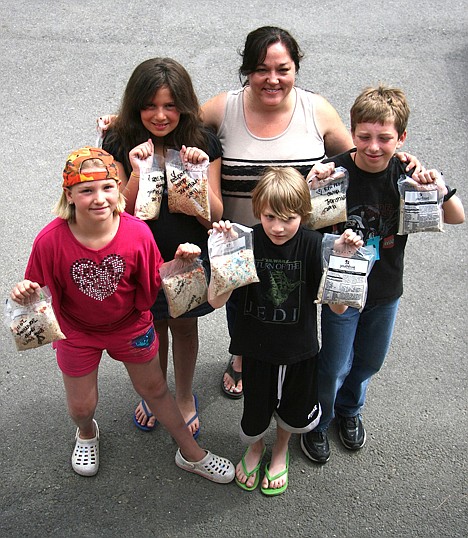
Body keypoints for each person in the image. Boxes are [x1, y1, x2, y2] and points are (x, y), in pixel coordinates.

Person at [201, 25, 420, 399]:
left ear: (295, 69)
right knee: (242, 304)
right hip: (243, 241)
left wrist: (399, 160)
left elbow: (360, 157)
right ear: (247, 70)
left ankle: (295, 363)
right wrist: (123, 128)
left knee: (293, 306)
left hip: (300, 242)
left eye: (282, 69)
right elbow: (173, 124)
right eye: (261, 69)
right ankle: (241, 355)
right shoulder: (224, 107)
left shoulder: (316, 109)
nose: (272, 79)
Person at [9, 147, 234, 483]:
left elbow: (152, 286)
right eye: (86, 190)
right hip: (77, 332)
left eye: (107, 187)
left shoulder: (137, 233)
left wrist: (179, 264)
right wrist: (24, 292)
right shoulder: (50, 240)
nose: (99, 198)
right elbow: (38, 292)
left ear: (119, 189)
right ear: (69, 195)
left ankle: (191, 453)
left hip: (130, 325)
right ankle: (87, 433)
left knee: (156, 390)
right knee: (81, 407)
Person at [300, 84, 465, 464]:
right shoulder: (334, 172)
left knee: (370, 361)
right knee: (334, 364)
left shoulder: (406, 174)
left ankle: (350, 409)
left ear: (401, 137)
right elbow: (304, 224)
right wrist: (311, 186)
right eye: (364, 137)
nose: (373, 146)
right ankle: (319, 420)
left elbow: (456, 217)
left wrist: (438, 189)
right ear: (352, 132)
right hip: (341, 289)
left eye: (385, 138)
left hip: (386, 290)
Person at [207, 167, 363, 495]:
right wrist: (223, 251)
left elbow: (338, 308)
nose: (278, 227)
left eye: (289, 218)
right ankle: (255, 448)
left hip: (299, 350)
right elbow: (216, 300)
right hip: (255, 350)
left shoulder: (315, 245)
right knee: (255, 409)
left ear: (304, 213)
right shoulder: (245, 242)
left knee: (293, 408)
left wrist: (343, 260)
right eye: (269, 217)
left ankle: (280, 451)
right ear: (257, 210)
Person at [101, 58, 223, 437]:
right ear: (135, 105)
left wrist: (196, 175)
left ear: (183, 105)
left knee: (184, 327)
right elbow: (115, 213)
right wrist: (138, 171)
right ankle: (157, 395)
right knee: (152, 327)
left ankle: (184, 395)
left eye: (170, 105)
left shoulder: (202, 141)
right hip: (140, 260)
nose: (160, 115)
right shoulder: (119, 141)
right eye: (150, 105)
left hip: (188, 257)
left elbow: (216, 217)